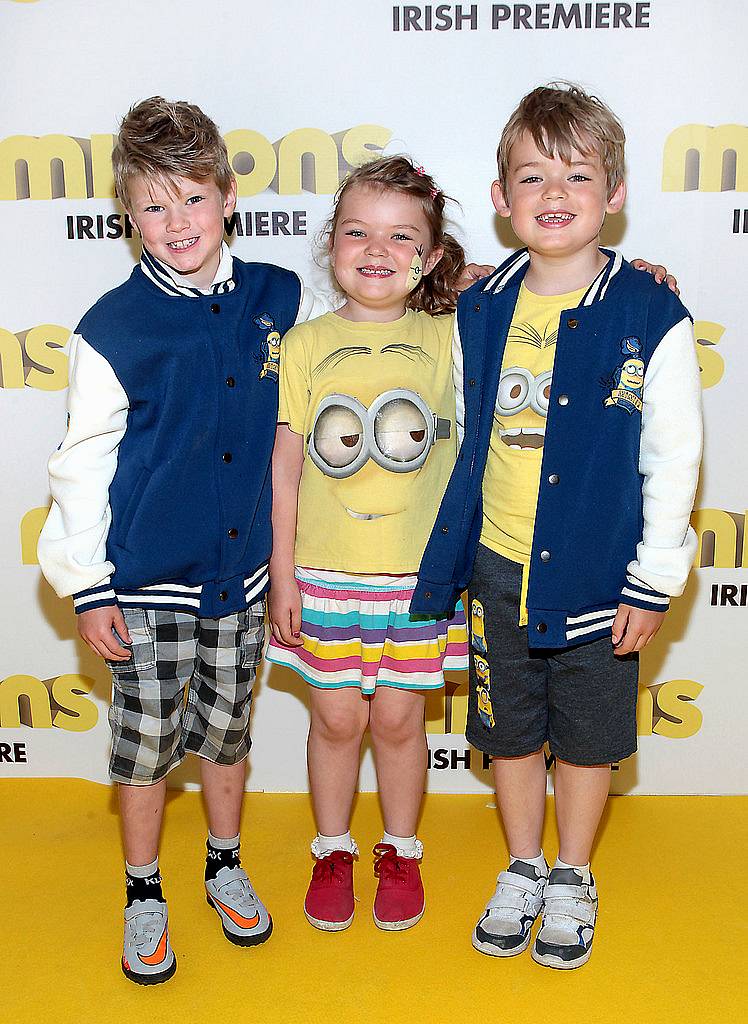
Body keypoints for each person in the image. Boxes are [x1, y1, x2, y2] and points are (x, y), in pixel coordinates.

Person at [411, 83, 702, 969]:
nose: (554, 194)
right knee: (507, 732)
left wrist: (655, 577)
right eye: (531, 176)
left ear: (613, 192)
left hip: (596, 578)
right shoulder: (479, 303)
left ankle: (574, 874)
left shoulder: (651, 310)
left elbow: (674, 455)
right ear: (502, 199)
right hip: (497, 569)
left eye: (577, 174)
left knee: (587, 737)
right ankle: (525, 865)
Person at [37, 96, 323, 985]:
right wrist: (87, 586)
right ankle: (144, 888)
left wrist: (559, 268)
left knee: (228, 736)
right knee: (146, 746)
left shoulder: (280, 294)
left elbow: (389, 287)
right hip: (145, 587)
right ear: (127, 216)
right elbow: (80, 466)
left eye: (191, 198)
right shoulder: (111, 329)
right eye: (153, 206)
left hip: (238, 584)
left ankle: (225, 865)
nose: (176, 224)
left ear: (228, 196)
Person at [266, 156, 469, 933]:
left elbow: (544, 289)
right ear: (331, 242)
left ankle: (401, 849)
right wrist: (284, 577)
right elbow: (285, 470)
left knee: (396, 722)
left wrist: (635, 270)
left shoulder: (452, 337)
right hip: (322, 578)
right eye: (356, 231)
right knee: (337, 722)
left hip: (418, 582)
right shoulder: (305, 344)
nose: (375, 249)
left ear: (431, 255)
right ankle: (332, 848)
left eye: (399, 236)